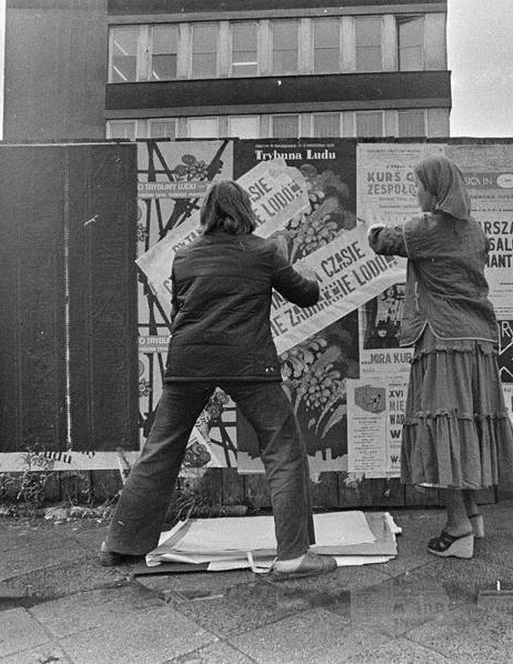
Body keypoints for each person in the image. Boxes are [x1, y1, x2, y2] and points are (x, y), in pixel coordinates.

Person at [100, 180, 337, 581]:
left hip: (188, 361)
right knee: (282, 447)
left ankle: (119, 544)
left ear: (207, 213)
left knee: (160, 448)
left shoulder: (184, 256)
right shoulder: (263, 252)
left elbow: (180, 311)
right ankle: (293, 556)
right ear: (245, 210)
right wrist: (309, 275)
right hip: (247, 362)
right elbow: (305, 295)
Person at [368, 154, 513, 560]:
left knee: (446, 427)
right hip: (478, 339)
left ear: (436, 191)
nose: (417, 194)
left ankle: (457, 529)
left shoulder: (426, 228)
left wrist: (371, 227)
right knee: (467, 422)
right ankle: (473, 514)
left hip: (443, 338)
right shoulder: (475, 231)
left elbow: (382, 241)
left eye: (420, 186)